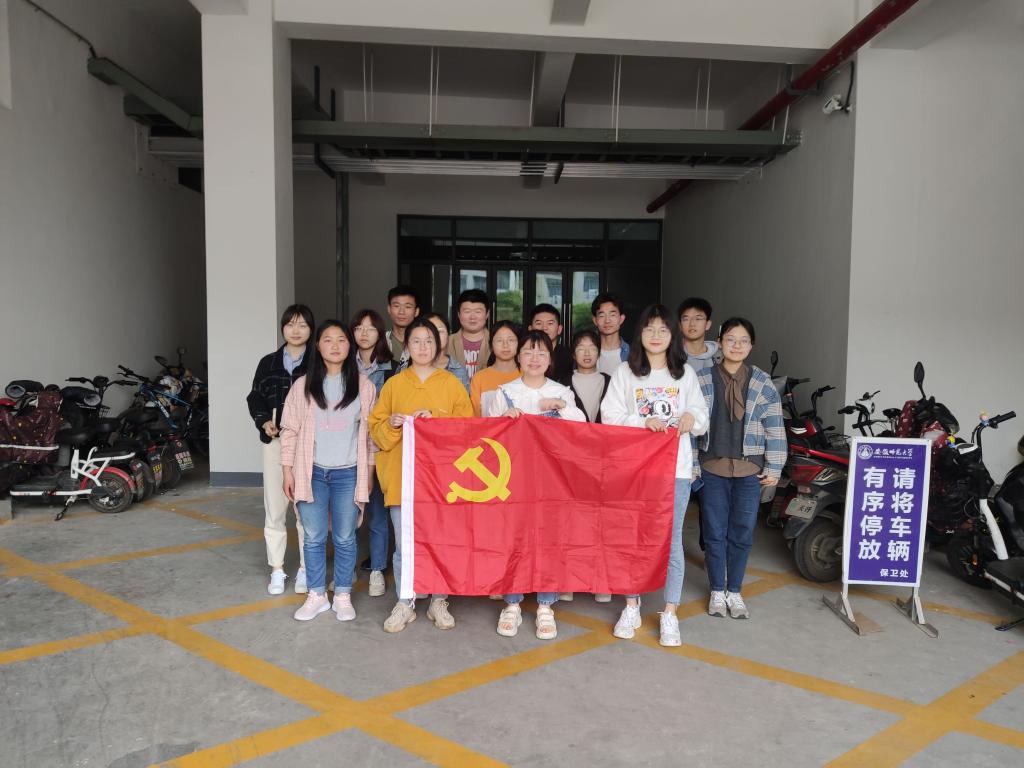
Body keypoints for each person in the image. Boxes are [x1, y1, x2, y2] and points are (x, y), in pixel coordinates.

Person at [601, 304, 709, 647]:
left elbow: (702, 416)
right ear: (640, 334)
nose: (657, 335)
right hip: (635, 471)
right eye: (650, 329)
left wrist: (691, 417)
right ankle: (631, 606)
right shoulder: (625, 372)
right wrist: (642, 421)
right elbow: (610, 415)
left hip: (675, 471)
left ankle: (670, 612)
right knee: (633, 538)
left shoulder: (684, 374)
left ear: (672, 335)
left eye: (663, 329)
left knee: (671, 541)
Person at [369, 317, 474, 633]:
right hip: (403, 478)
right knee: (405, 544)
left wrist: (436, 422)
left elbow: (466, 430)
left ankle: (439, 600)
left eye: (429, 341)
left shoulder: (451, 384)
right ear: (407, 346)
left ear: (438, 345)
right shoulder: (394, 385)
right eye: (416, 341)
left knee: (440, 541)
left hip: (442, 482)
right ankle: (406, 601)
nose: (423, 347)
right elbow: (376, 429)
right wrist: (392, 424)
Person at [488, 330, 585, 640]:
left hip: (552, 481)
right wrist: (502, 420)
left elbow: (581, 430)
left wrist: (560, 406)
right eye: (528, 352)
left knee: (549, 539)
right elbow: (486, 441)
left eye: (541, 353)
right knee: (513, 539)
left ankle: (545, 604)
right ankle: (512, 603)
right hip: (512, 481)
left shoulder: (562, 391)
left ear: (550, 359)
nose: (534, 358)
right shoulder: (503, 392)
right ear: (518, 356)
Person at [280, 320, 376, 623]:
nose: (335, 346)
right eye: (328, 340)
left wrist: (368, 474)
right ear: (318, 346)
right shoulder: (303, 385)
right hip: (311, 472)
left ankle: (343, 594)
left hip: (348, 473)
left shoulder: (364, 386)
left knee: (346, 537)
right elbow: (289, 430)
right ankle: (317, 595)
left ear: (350, 346)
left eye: (341, 340)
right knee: (313, 537)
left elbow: (371, 436)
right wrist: (287, 471)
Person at [696, 317, 785, 620]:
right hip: (712, 467)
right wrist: (693, 465)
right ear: (720, 343)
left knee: (743, 532)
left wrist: (775, 466)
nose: (737, 345)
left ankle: (734, 590)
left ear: (751, 346)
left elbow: (775, 426)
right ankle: (716, 591)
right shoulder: (703, 379)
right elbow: (691, 428)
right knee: (714, 532)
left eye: (743, 340)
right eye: (731, 339)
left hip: (750, 470)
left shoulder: (762, 382)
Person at [246, 304, 314, 596]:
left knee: (305, 509)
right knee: (274, 509)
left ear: (311, 329)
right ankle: (277, 569)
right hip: (275, 443)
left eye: (302, 325)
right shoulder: (268, 362)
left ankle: (306, 569)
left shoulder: (317, 362)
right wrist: (264, 422)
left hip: (308, 445)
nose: (296, 330)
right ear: (283, 328)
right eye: (290, 324)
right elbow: (255, 397)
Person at [351, 309, 397, 598]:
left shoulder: (392, 369)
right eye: (359, 328)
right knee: (349, 514)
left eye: (371, 328)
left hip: (380, 448)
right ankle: (348, 569)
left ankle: (378, 568)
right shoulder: (342, 365)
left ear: (381, 333)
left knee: (378, 514)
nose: (364, 333)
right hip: (347, 449)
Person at [565, 329, 612, 603]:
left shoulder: (611, 381)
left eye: (592, 347)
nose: (586, 352)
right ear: (573, 353)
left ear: (599, 352)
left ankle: (600, 581)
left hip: (606, 464)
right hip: (571, 465)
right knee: (572, 522)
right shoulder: (562, 383)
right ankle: (569, 580)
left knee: (602, 522)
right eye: (581, 347)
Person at [469, 321, 521, 417]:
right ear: (491, 345)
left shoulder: (527, 376)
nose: (505, 345)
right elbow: (475, 418)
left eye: (511, 340)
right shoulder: (479, 378)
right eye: (499, 340)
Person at [447, 288, 490, 379]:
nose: (472, 317)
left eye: (478, 312)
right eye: (467, 311)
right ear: (458, 314)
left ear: (487, 314)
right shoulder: (447, 342)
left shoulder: (496, 341)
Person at [423, 313, 471, 393]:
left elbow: (463, 400)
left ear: (448, 335)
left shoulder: (458, 370)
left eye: (440, 331)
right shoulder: (410, 365)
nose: (436, 335)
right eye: (430, 330)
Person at [528, 303, 572, 384]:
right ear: (530, 329)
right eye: (539, 323)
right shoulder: (524, 356)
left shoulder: (569, 356)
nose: (544, 328)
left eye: (550, 323)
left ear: (559, 329)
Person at [677, 297, 721, 374]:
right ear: (680, 325)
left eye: (698, 319)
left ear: (707, 324)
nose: (692, 324)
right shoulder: (671, 355)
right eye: (686, 319)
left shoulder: (720, 355)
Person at [592, 293, 630, 377]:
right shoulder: (586, 354)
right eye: (602, 315)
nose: (607, 320)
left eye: (612, 315)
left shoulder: (633, 354)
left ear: (621, 319)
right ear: (595, 320)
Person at [385, 285, 420, 366]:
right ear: (389, 309)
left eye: (407, 307)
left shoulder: (424, 343)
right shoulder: (381, 342)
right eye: (396, 306)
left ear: (416, 311)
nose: (401, 312)